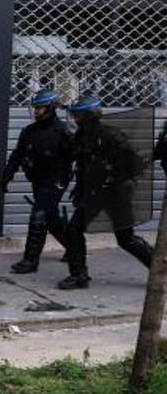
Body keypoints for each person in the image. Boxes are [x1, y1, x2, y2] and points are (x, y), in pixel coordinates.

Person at [58, 95, 152, 290]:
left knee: (126, 239)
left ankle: (159, 268)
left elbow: (136, 165)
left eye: (78, 115)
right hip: (93, 194)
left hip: (115, 194)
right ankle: (78, 275)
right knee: (74, 230)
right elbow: (81, 165)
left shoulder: (112, 135)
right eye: (74, 115)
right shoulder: (81, 137)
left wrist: (116, 177)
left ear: (90, 114)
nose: (75, 119)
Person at [1, 89, 74, 273]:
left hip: (56, 180)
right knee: (50, 217)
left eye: (40, 107)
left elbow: (78, 156)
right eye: (35, 107)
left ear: (50, 108)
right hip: (38, 179)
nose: (36, 111)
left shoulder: (63, 131)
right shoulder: (29, 131)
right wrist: (6, 177)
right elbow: (17, 156)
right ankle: (74, 248)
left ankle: (30, 261)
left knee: (39, 214)